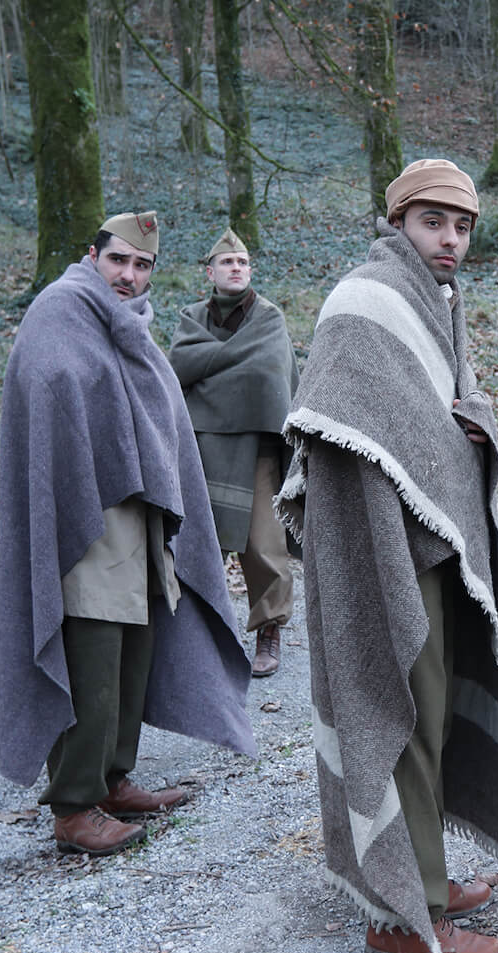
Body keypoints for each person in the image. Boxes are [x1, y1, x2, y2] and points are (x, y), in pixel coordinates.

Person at [277, 160, 498, 953]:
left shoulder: (440, 304)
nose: (450, 239)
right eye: (433, 222)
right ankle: (401, 922)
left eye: (462, 225)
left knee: (434, 711)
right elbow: (330, 428)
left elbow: (448, 411)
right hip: (379, 549)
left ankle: (430, 883)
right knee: (399, 711)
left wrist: (473, 425)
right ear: (399, 222)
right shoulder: (364, 301)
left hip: (433, 543)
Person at [0, 211, 255, 856]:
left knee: (135, 642)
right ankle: (74, 803)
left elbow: (150, 407)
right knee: (92, 649)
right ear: (94, 256)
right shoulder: (60, 309)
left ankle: (113, 776)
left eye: (142, 267)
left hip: (137, 509)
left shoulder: (128, 323)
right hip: (82, 514)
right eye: (120, 261)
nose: (130, 275)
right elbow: (53, 391)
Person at [168, 228, 299, 677]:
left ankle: (269, 629)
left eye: (242, 262)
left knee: (265, 544)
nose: (236, 268)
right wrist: (233, 371)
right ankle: (201, 636)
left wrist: (210, 382)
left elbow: (266, 374)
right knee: (200, 548)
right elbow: (179, 367)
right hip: (203, 451)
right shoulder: (191, 318)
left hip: (257, 448)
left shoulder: (269, 318)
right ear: (210, 272)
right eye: (227, 263)